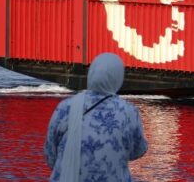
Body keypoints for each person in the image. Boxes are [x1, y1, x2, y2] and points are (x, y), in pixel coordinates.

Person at [44, 53, 147, 181]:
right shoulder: (128, 111)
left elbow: (50, 154)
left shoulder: (65, 107)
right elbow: (138, 150)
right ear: (118, 77)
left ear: (91, 74)